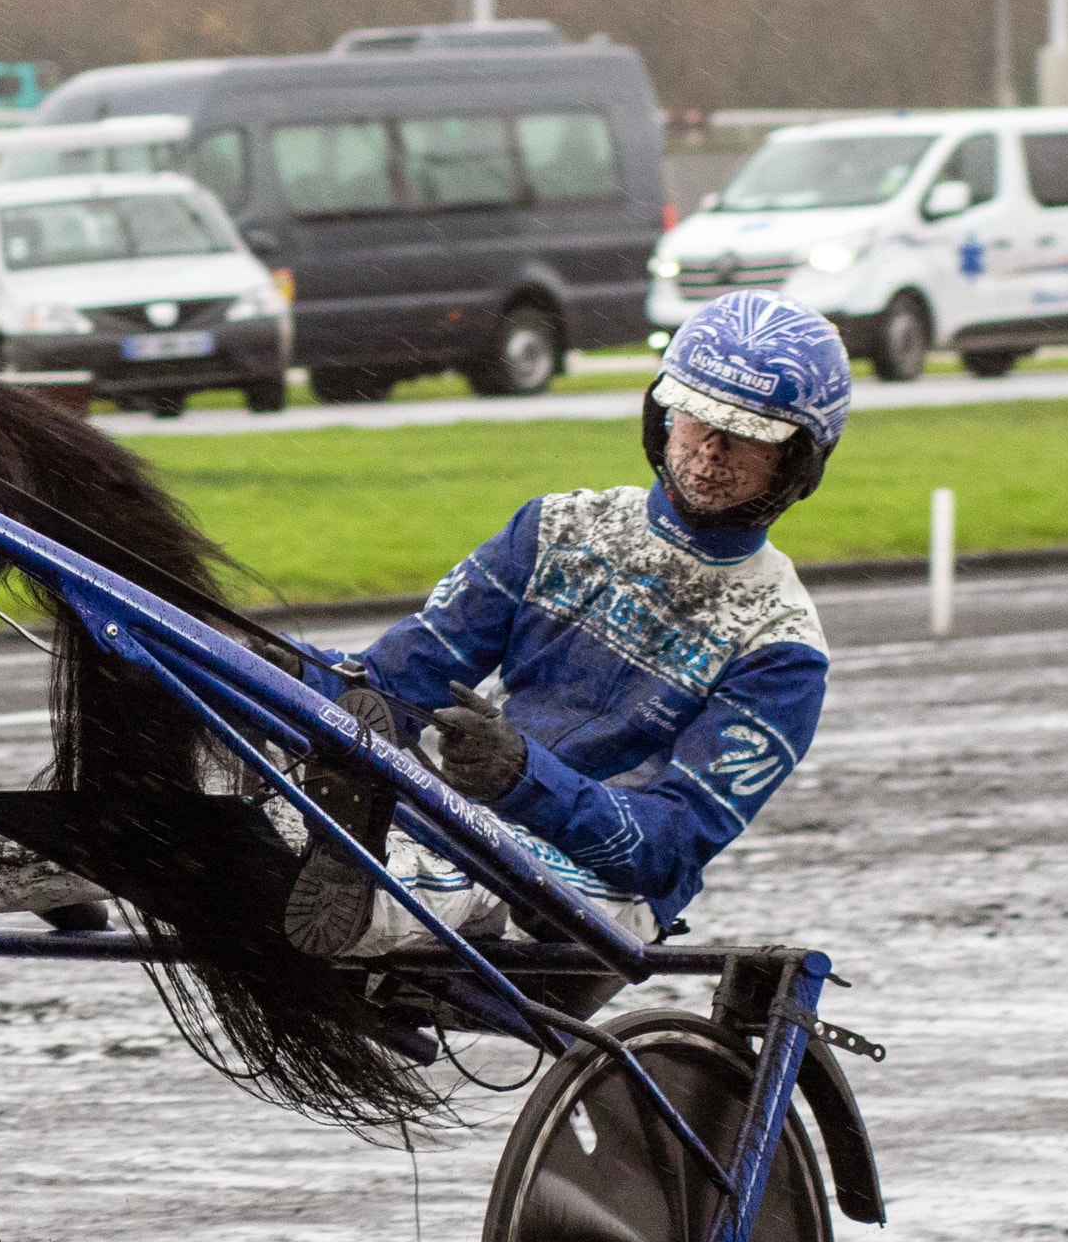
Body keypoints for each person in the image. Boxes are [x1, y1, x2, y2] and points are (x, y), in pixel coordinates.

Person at [280, 285, 847, 958]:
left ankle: (366, 893)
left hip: (603, 893)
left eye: (746, 435)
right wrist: (277, 668)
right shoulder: (556, 527)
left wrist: (523, 778)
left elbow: (667, 847)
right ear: (663, 415)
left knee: (479, 868)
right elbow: (391, 684)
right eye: (696, 417)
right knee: (250, 737)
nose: (711, 448)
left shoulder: (780, 648)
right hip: (457, 817)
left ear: (796, 461)